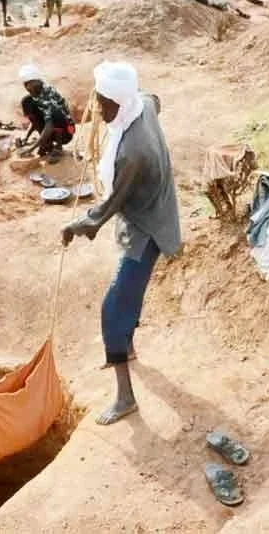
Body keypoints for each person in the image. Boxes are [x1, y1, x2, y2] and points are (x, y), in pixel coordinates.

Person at [61, 61, 181, 426]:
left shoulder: (133, 152)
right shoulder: (142, 104)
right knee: (130, 292)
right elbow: (155, 100)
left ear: (120, 101)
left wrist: (81, 224)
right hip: (156, 211)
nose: (99, 110)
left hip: (147, 229)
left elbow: (112, 204)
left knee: (113, 308)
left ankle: (125, 397)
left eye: (104, 104)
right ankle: (126, 346)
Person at [17, 64, 74, 157]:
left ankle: (58, 147)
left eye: (28, 84)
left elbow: (49, 126)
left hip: (67, 131)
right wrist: (26, 137)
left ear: (36, 81)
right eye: (25, 84)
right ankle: (47, 143)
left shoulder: (48, 93)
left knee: (55, 113)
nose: (27, 88)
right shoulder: (36, 92)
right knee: (26, 101)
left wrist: (31, 149)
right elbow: (35, 120)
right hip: (52, 127)